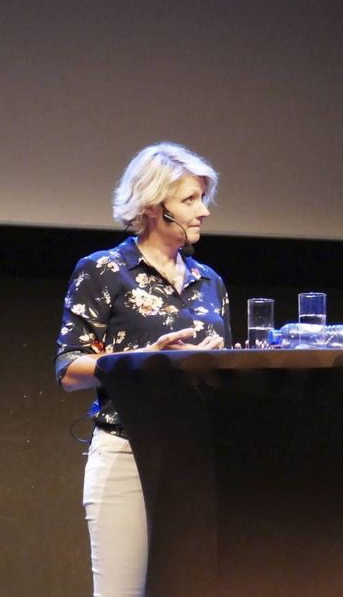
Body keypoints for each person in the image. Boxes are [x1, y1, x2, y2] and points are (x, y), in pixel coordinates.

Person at [55, 142, 232, 596]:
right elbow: (68, 369)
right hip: (126, 453)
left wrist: (221, 363)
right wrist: (142, 361)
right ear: (155, 207)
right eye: (190, 200)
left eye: (202, 199)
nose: (203, 212)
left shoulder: (209, 282)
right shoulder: (103, 270)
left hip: (195, 456)